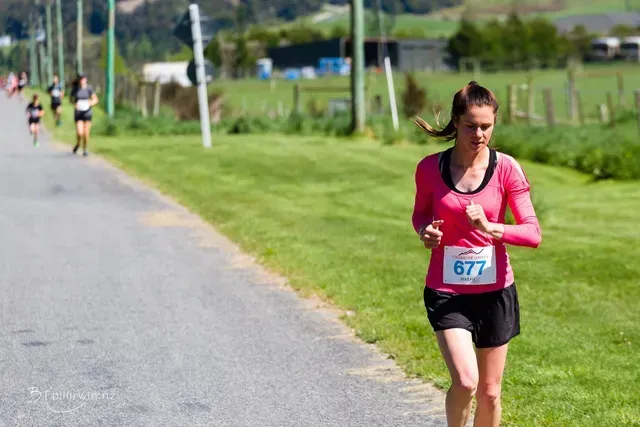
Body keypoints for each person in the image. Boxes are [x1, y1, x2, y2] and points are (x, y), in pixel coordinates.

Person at [412, 81, 541, 427]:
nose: (479, 133)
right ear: (456, 122)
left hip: (496, 293)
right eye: (470, 125)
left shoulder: (506, 169)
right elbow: (420, 213)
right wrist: (426, 232)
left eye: (486, 126)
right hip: (447, 293)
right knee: (466, 381)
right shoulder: (429, 168)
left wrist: (491, 227)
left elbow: (532, 233)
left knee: (489, 392)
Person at [70, 74, 98, 157]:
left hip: (87, 113)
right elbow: (71, 99)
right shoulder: (75, 89)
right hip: (78, 113)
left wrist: (90, 103)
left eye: (83, 78)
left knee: (86, 133)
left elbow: (95, 99)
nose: (82, 80)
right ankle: (78, 144)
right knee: (80, 132)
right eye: (81, 79)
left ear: (85, 79)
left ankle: (85, 149)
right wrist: (74, 104)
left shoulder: (89, 89)